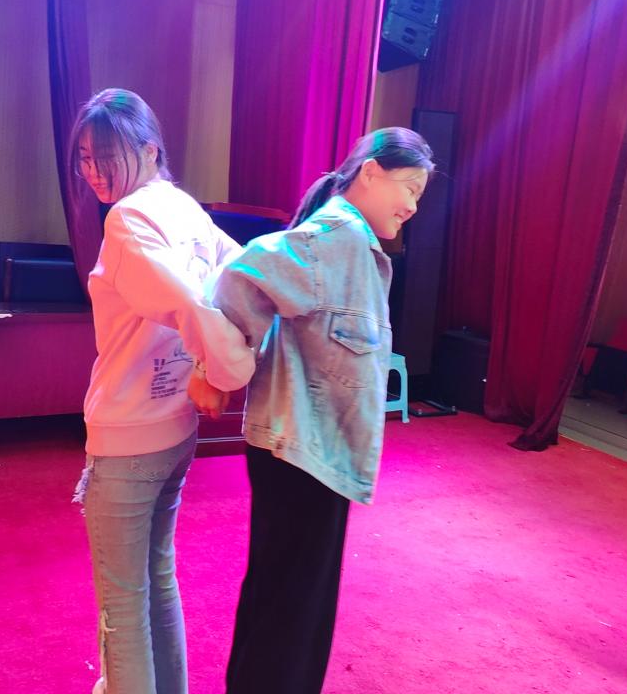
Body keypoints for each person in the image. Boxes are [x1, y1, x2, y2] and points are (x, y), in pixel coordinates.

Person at [188, 127, 434, 692]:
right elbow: (243, 273)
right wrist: (214, 370)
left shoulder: (356, 245)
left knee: (289, 601)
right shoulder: (336, 237)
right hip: (304, 454)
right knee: (291, 610)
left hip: (314, 451)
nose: (413, 207)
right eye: (410, 188)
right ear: (370, 172)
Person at [69, 88, 255, 694]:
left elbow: (190, 305)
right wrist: (217, 366)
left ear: (150, 150)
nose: (95, 172)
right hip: (175, 430)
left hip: (128, 433)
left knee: (123, 607)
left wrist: (225, 372)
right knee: (158, 579)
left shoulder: (128, 219)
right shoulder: (185, 209)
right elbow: (243, 276)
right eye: (86, 157)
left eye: (108, 156)